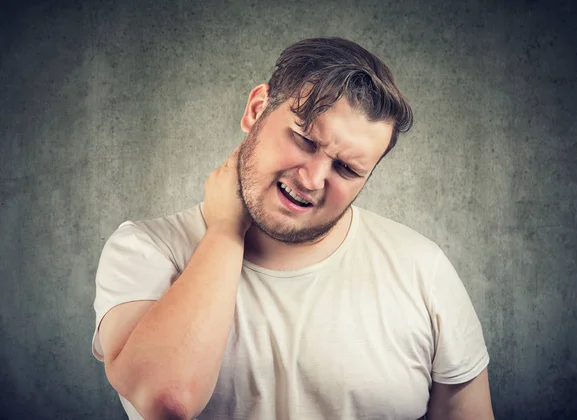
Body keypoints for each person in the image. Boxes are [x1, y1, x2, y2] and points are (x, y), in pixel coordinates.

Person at [92, 37, 494, 420]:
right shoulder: (144, 250)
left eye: (347, 168)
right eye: (304, 140)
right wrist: (225, 231)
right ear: (256, 110)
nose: (313, 178)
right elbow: (167, 400)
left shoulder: (423, 269)